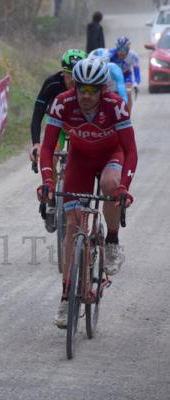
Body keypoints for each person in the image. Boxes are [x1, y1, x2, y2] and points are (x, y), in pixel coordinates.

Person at [39, 58, 138, 328]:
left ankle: (112, 239)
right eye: (81, 88)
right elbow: (47, 147)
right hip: (79, 159)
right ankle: (66, 295)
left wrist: (123, 188)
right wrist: (48, 180)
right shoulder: (63, 102)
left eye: (92, 90)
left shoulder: (115, 106)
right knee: (73, 227)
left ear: (103, 90)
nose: (85, 95)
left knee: (109, 185)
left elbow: (130, 151)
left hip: (111, 155)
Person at [30, 49, 87, 158]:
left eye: (78, 74)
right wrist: (36, 144)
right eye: (70, 74)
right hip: (58, 125)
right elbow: (38, 113)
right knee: (51, 158)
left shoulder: (90, 87)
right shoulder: (52, 83)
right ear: (63, 72)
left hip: (80, 127)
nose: (73, 79)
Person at [109, 36, 140, 114]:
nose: (121, 52)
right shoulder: (110, 53)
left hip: (126, 76)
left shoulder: (133, 56)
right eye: (119, 49)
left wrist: (136, 83)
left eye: (123, 50)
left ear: (128, 49)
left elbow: (136, 72)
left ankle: (127, 116)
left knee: (128, 94)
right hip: (114, 76)